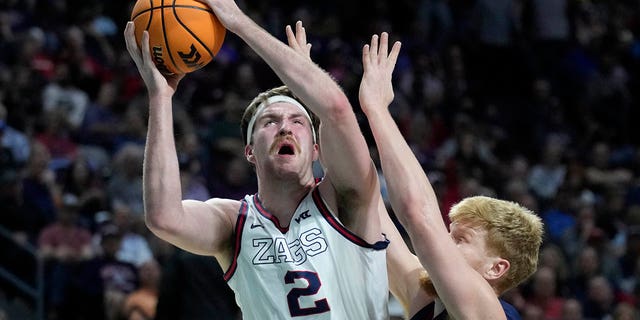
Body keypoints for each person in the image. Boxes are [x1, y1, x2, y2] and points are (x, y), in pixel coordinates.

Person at [123, 1, 389, 319]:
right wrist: (161, 96)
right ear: (250, 151)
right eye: (270, 121)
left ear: (316, 149)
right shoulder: (234, 222)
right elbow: (164, 217)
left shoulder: (346, 199)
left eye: (297, 121)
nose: (284, 128)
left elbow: (336, 111)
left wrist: (237, 22)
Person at [357, 32, 544, 319]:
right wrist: (324, 115)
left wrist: (377, 110)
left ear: (495, 268)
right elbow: (364, 204)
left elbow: (417, 215)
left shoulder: (489, 313)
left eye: (460, 240)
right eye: (449, 234)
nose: (442, 243)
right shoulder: (428, 300)